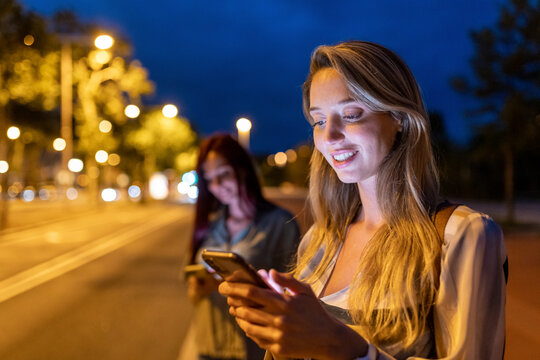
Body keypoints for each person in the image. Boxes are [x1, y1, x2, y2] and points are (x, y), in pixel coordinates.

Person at [218, 41, 507, 359]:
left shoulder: (462, 236)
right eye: (319, 121)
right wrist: (278, 334)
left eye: (352, 114)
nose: (329, 137)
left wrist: (344, 346)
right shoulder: (319, 241)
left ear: (399, 117)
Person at [184, 133, 301, 360]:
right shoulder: (208, 225)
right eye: (209, 179)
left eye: (224, 174)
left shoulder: (280, 223)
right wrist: (198, 288)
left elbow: (294, 294)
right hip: (208, 348)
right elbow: (193, 295)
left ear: (243, 169)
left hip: (254, 350)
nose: (217, 186)